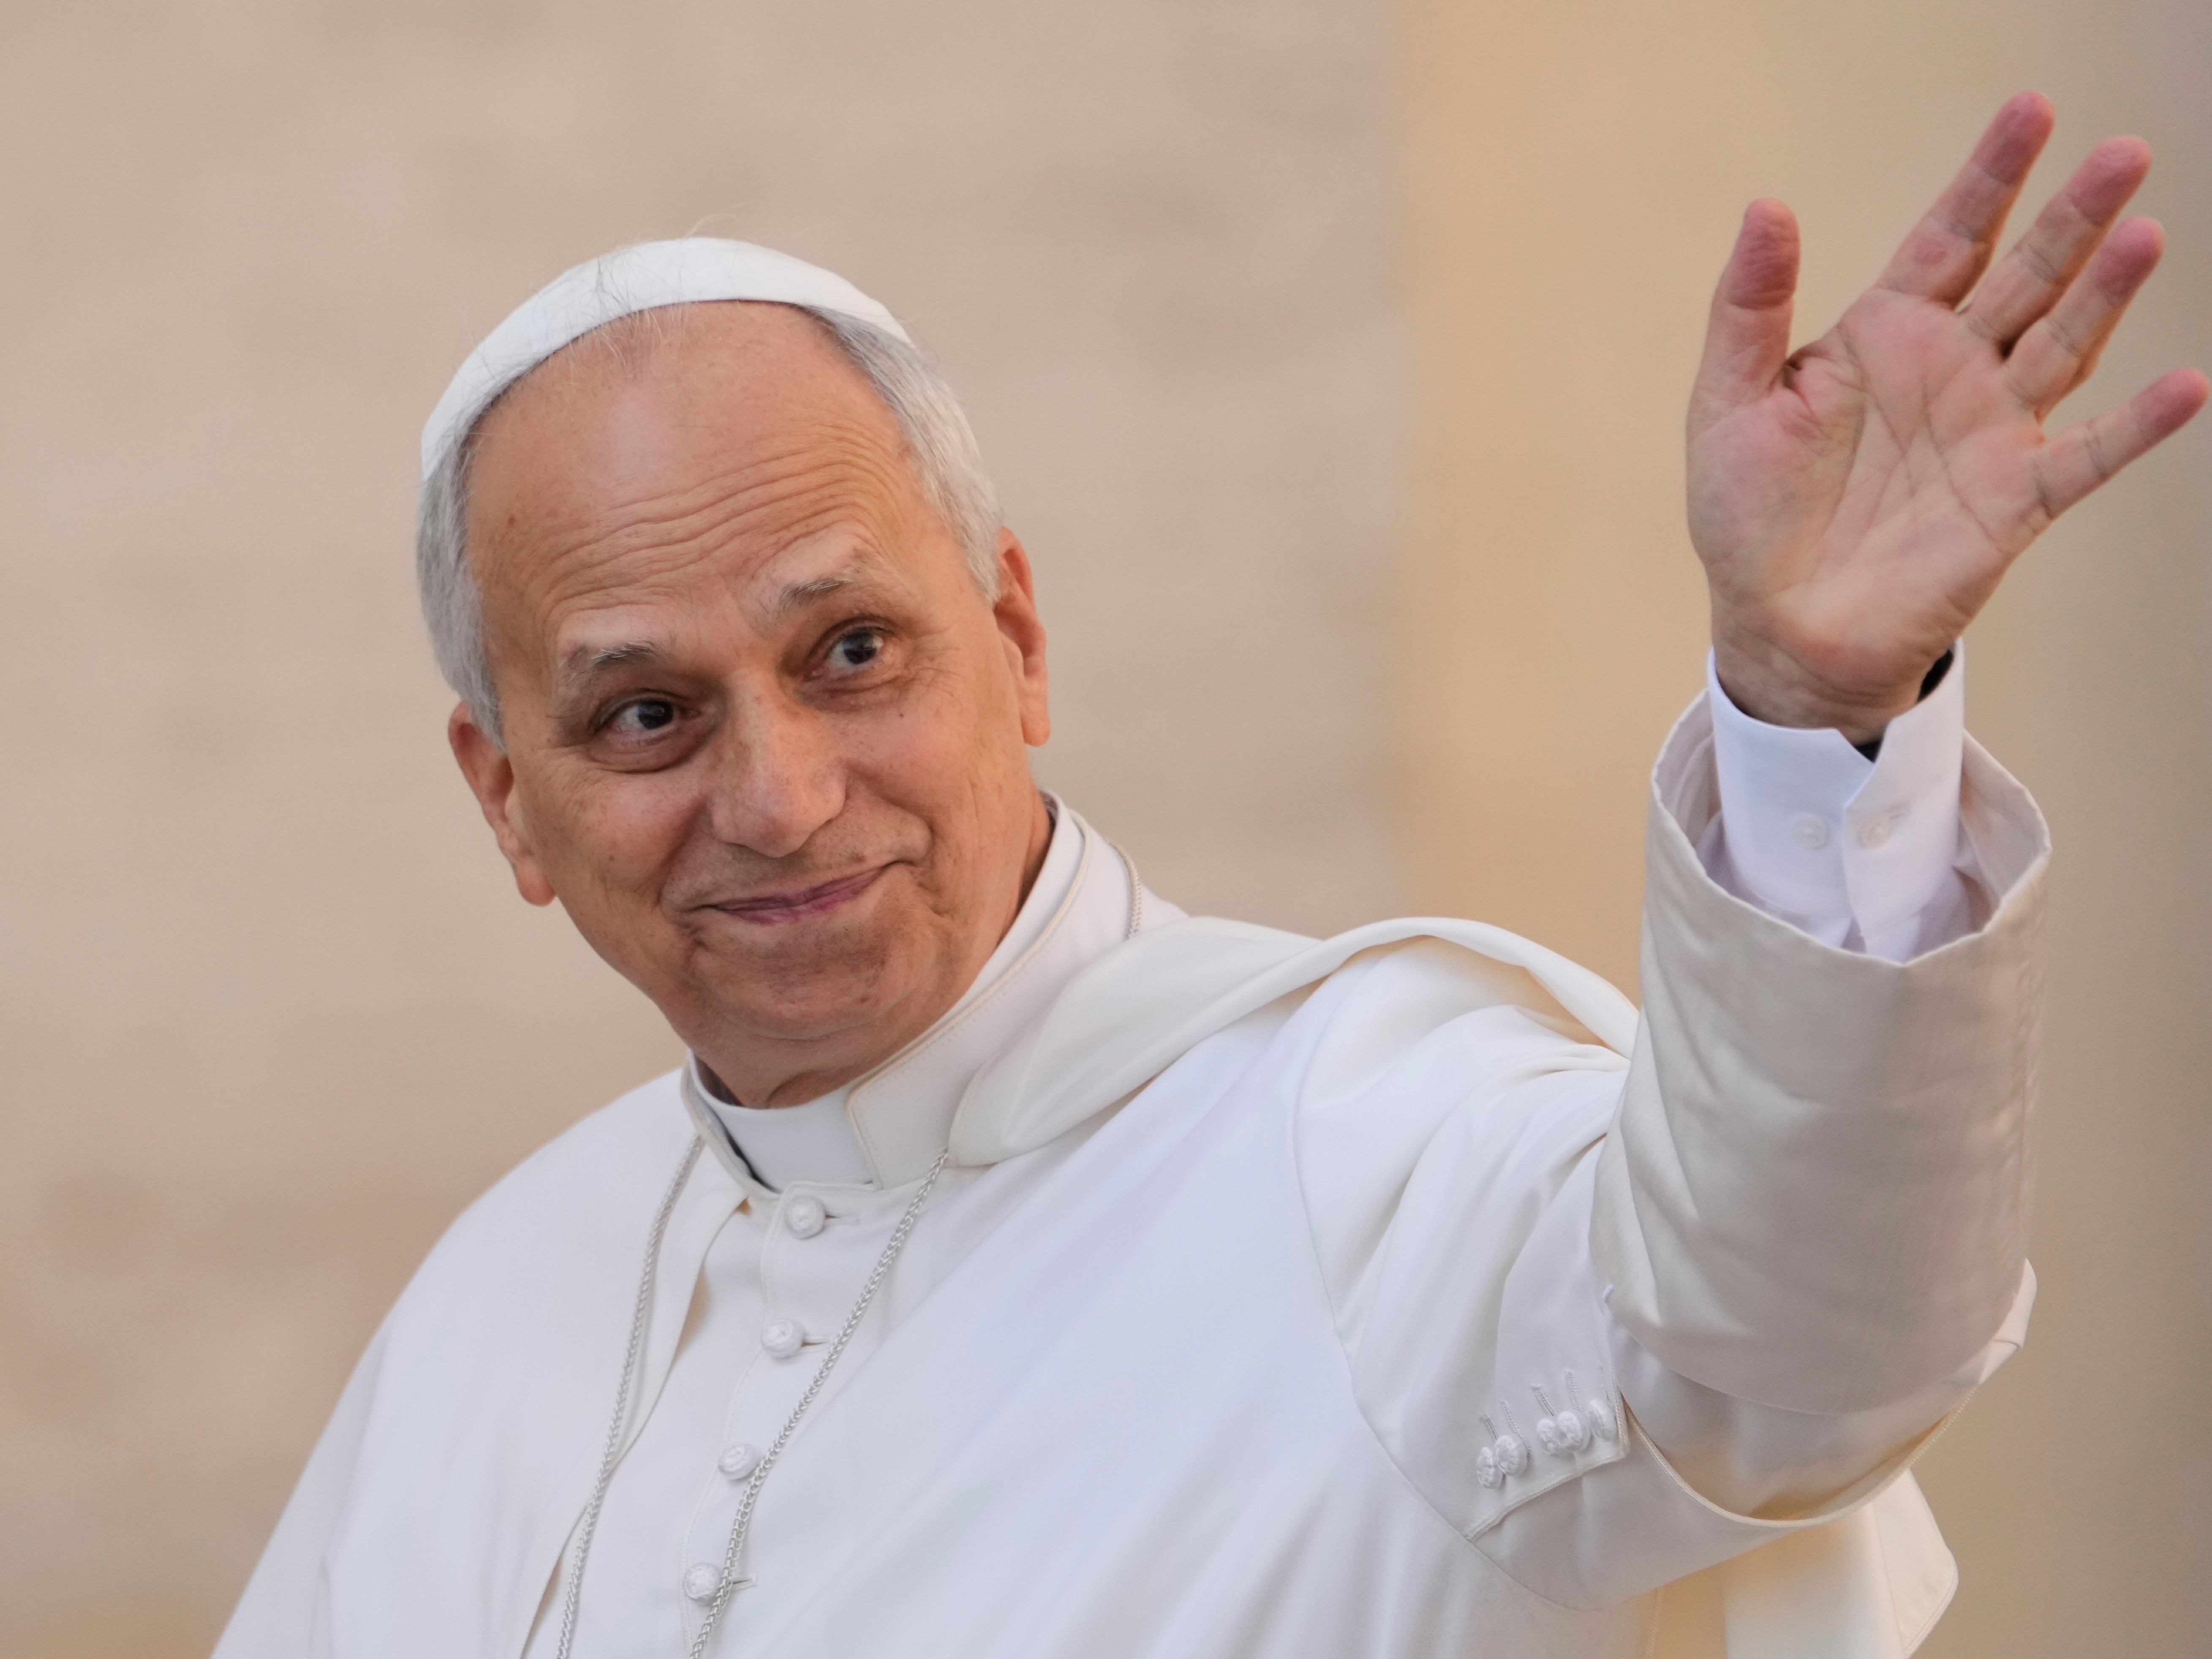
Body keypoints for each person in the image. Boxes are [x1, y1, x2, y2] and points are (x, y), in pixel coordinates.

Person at [213, 93, 2204, 1659]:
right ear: (506, 801)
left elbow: (1788, 1344)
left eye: (852, 653)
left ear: (1019, 637)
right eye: (646, 715)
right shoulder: (498, 1295)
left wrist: (1812, 707)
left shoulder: (1375, 1137)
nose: (783, 797)